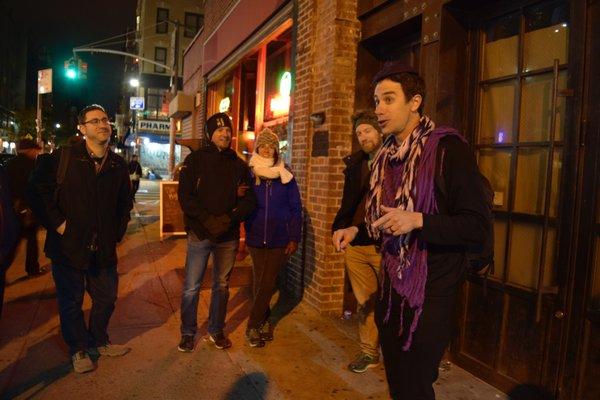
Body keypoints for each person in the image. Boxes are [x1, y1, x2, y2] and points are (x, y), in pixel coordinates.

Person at [335, 63, 489, 399]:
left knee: (416, 384)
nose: (379, 109)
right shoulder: (384, 157)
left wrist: (419, 220)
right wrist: (356, 229)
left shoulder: (447, 149)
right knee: (397, 380)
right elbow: (385, 221)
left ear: (415, 101)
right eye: (376, 101)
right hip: (393, 286)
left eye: (389, 99)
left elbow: (476, 225)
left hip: (432, 288)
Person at [27, 104, 133, 374]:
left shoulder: (117, 165)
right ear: (82, 128)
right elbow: (37, 192)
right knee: (71, 302)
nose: (102, 124)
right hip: (68, 247)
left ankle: (98, 340)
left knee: (106, 298)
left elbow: (124, 204)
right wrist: (60, 225)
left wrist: (117, 232)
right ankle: (78, 349)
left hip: (103, 249)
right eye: (95, 121)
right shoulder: (62, 158)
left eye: (105, 119)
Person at [177, 112, 256, 352]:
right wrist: (207, 221)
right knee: (192, 285)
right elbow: (185, 197)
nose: (225, 133)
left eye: (228, 130)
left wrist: (228, 219)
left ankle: (216, 330)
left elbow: (250, 199)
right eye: (219, 130)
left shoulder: (239, 165)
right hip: (200, 234)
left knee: (221, 285)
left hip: (227, 236)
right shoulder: (195, 161)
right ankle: (188, 333)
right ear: (210, 134)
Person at [331, 111, 384, 373]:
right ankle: (369, 352)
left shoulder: (396, 160)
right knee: (365, 304)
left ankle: (403, 355)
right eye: (359, 133)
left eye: (367, 131)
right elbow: (347, 203)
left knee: (396, 302)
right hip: (356, 244)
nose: (363, 136)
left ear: (380, 131)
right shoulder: (356, 164)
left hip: (384, 244)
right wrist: (338, 228)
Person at [244, 128, 302, 347]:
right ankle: (263, 321)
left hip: (279, 237)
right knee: (262, 283)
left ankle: (252, 325)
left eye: (271, 146)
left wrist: (294, 236)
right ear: (257, 148)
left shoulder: (286, 175)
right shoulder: (249, 173)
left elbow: (296, 208)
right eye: (264, 145)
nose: (267, 150)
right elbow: (242, 204)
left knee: (267, 282)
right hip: (255, 236)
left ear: (277, 150)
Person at [5, 138, 42, 276]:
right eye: (35, 150)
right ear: (30, 150)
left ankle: (3, 268)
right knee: (31, 240)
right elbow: (34, 188)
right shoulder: (33, 165)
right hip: (28, 210)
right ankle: (32, 269)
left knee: (13, 242)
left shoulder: (9, 164)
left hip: (13, 208)